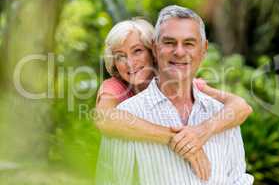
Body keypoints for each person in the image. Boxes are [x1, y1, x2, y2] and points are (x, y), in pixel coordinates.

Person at [95, 10, 253, 183]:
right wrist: (176, 139)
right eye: (120, 56)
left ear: (152, 51)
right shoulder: (116, 88)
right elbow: (105, 119)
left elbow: (240, 106)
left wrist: (202, 132)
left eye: (137, 51)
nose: (130, 62)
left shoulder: (191, 84)